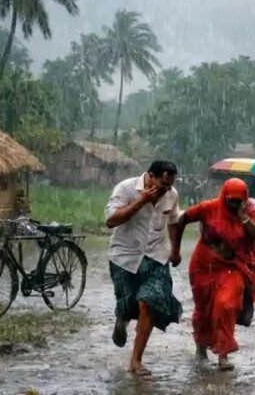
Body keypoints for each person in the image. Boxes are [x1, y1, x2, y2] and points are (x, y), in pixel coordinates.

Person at [175, 178, 255, 371]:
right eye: (231, 201)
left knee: (226, 304)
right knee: (203, 308)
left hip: (231, 265)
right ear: (224, 197)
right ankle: (200, 347)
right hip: (203, 266)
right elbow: (181, 220)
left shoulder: (247, 211)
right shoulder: (208, 208)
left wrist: (244, 218)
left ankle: (223, 354)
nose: (235, 205)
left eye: (240, 201)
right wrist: (175, 250)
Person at [105, 160, 184, 376]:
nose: (165, 190)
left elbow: (174, 222)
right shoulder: (126, 188)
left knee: (148, 302)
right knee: (127, 304)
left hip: (156, 257)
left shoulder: (171, 194)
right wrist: (141, 201)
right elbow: (111, 221)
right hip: (125, 257)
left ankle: (136, 360)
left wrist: (175, 249)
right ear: (149, 176)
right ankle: (121, 318)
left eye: (169, 186)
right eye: (161, 185)